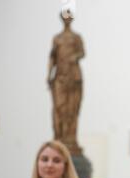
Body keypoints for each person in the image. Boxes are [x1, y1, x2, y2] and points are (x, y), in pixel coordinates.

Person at [48, 10, 85, 155]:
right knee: (59, 108)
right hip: (60, 76)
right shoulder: (57, 38)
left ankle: (71, 139)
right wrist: (49, 75)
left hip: (74, 76)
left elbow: (82, 52)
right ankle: (60, 137)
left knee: (73, 109)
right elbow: (52, 58)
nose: (67, 19)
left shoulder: (76, 38)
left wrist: (74, 57)